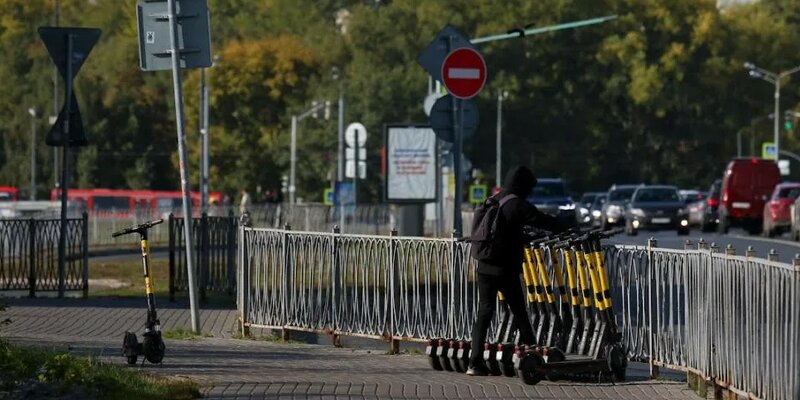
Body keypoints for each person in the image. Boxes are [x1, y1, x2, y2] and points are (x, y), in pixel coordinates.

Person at [467, 165, 565, 376]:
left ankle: (474, 363)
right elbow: (544, 222)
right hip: (505, 269)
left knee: (484, 312)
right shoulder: (518, 205)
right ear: (523, 185)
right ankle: (533, 353)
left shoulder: (496, 199)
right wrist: (566, 224)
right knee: (520, 311)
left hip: (484, 265)